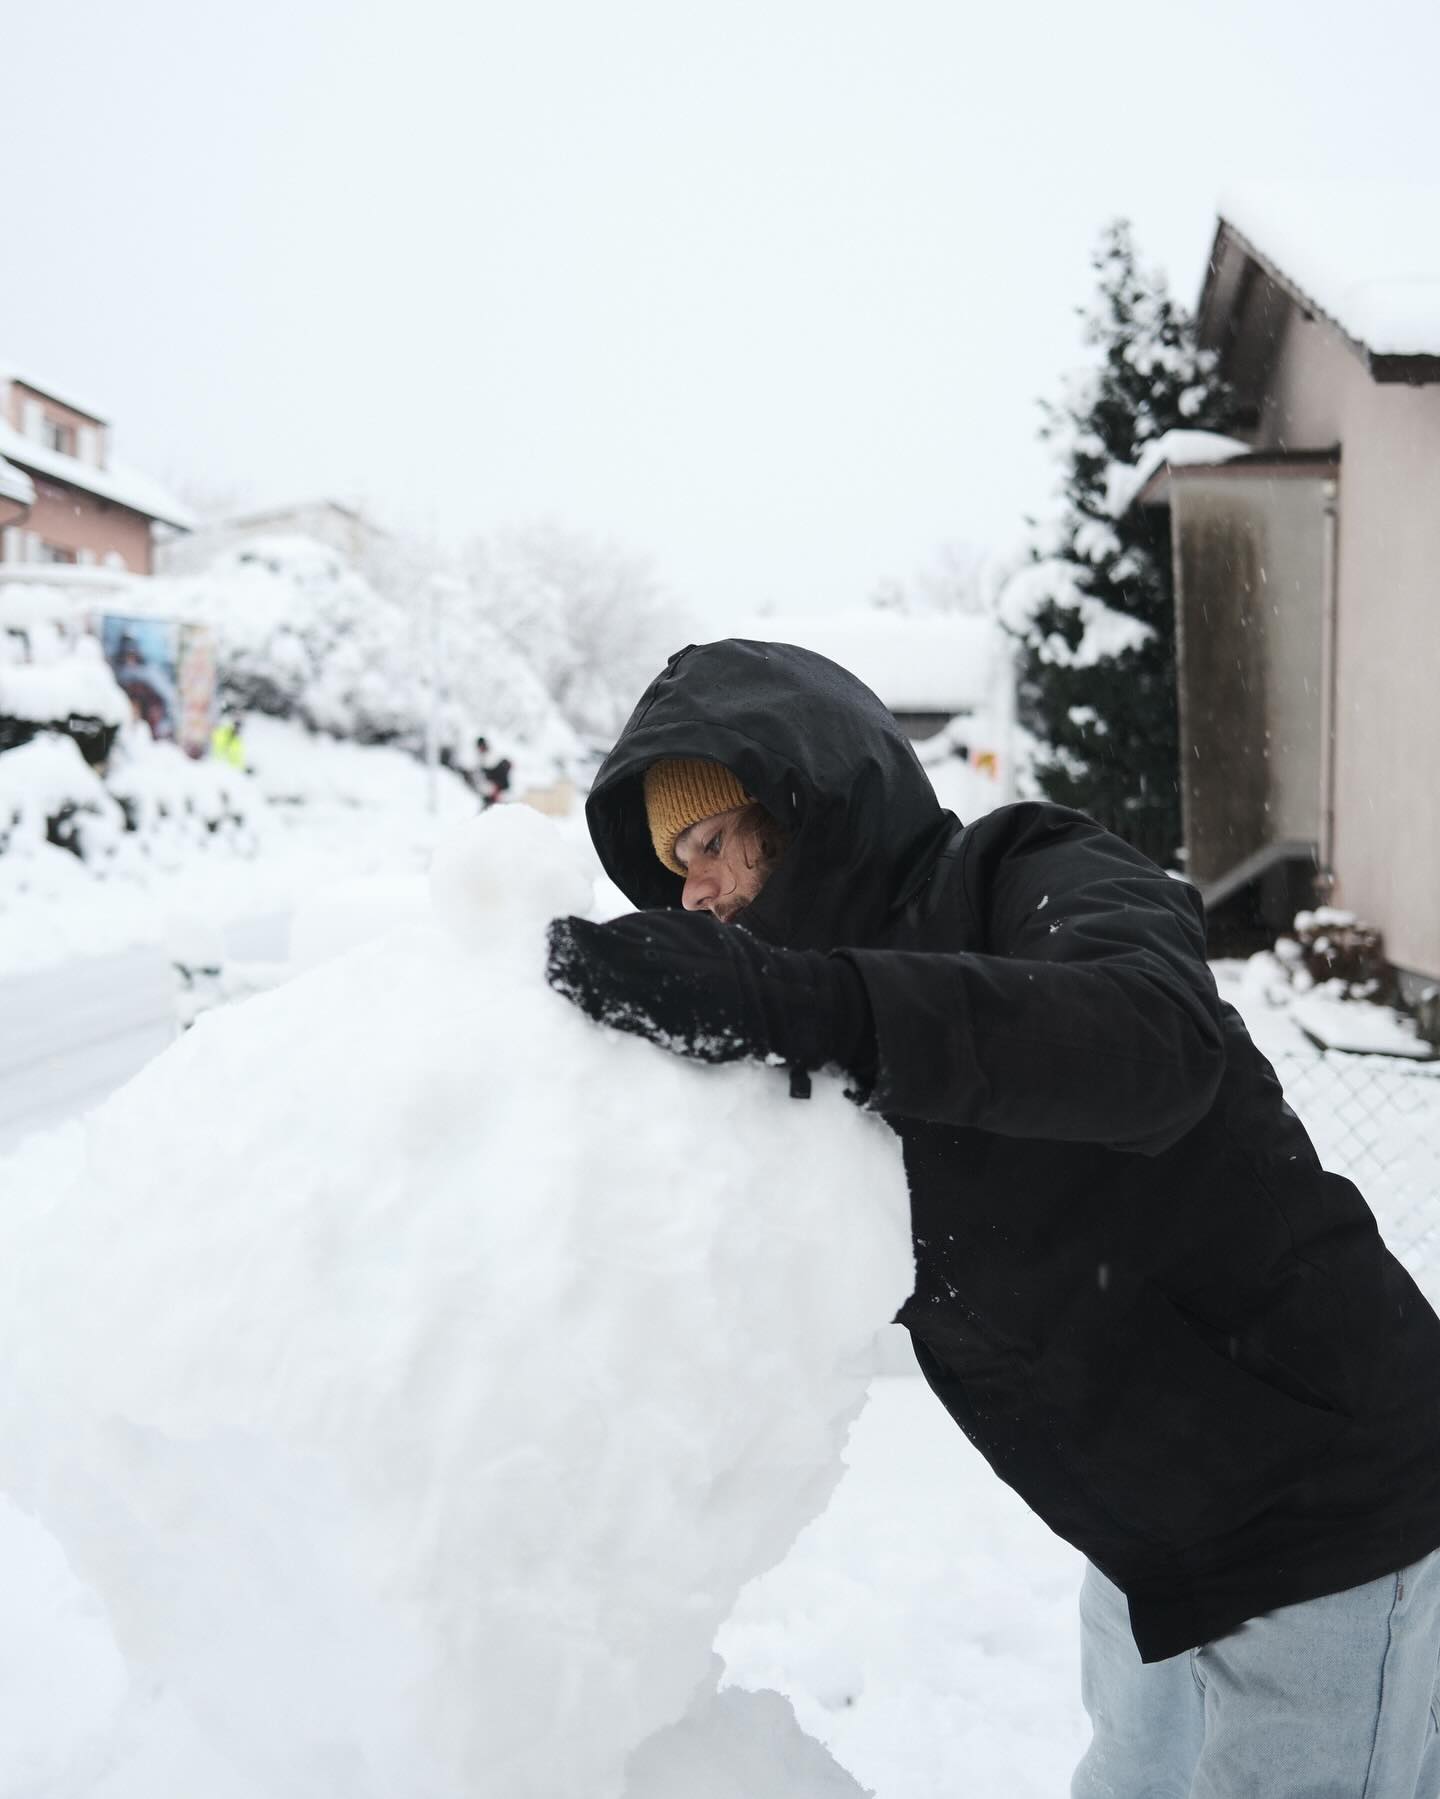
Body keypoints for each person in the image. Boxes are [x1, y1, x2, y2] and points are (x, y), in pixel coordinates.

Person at [546, 638, 1440, 1798]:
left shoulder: (1026, 867)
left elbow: (1150, 1042)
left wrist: (808, 1005)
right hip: (1147, 1543)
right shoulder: (822, 1048)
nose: (695, 890)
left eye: (710, 841)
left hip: (1324, 1502)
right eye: (674, 867)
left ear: (803, 803)